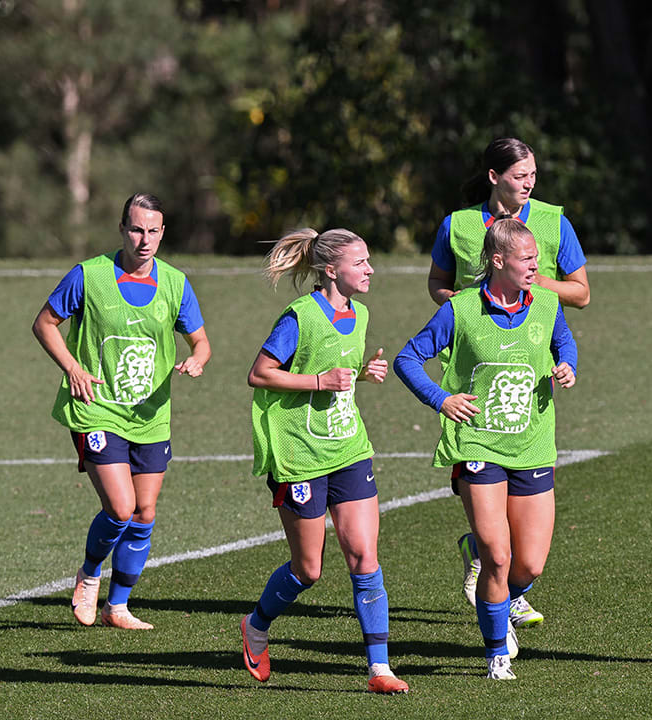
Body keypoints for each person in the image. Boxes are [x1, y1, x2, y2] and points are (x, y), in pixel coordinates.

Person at [395, 217, 577, 680]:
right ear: (498, 261)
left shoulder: (549, 305)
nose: (537, 266)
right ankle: (497, 653)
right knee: (498, 557)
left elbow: (564, 343)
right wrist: (442, 398)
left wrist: (567, 366)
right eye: (528, 259)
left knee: (529, 562)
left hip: (533, 445)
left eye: (537, 257)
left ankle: (486, 570)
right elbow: (407, 358)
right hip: (477, 445)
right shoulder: (459, 310)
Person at [427, 137, 590, 629]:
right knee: (500, 528)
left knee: (524, 547)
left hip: (532, 358)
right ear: (494, 176)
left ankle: (493, 571)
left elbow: (580, 293)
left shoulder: (553, 222)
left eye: (534, 176)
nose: (530, 184)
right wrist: (462, 303)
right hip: (478, 367)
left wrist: (537, 285)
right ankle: (499, 598)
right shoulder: (456, 226)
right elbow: (437, 284)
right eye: (521, 176)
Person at [238, 228, 408, 694]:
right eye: (361, 262)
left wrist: (363, 374)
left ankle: (380, 669)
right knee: (308, 569)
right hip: (299, 456)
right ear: (331, 269)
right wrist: (317, 381)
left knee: (364, 556)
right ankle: (255, 626)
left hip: (349, 449)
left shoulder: (363, 313)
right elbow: (259, 373)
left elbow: (342, 372)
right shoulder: (299, 316)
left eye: (370, 260)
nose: (371, 269)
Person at [33, 193, 211, 630]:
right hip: (97, 409)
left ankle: (118, 607)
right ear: (121, 229)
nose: (144, 239)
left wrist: (198, 360)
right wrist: (72, 367)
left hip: (151, 414)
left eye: (153, 231)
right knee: (120, 506)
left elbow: (201, 341)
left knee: (145, 512)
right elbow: (44, 323)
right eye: (136, 229)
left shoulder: (175, 283)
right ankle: (89, 574)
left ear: (163, 232)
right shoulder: (89, 276)